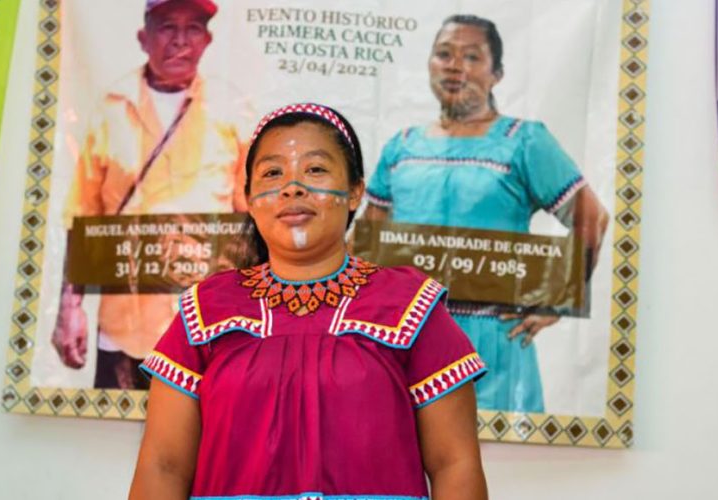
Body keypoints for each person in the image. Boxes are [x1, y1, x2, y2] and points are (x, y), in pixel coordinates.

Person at [129, 103, 488, 500]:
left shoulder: (411, 307)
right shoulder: (204, 312)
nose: (292, 187)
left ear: (355, 192)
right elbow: (163, 466)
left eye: (315, 170)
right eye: (272, 173)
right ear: (249, 198)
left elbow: (455, 463)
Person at [364, 15, 609, 414]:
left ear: (497, 73)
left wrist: (555, 299)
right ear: (429, 64)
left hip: (493, 345)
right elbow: (371, 244)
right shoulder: (402, 148)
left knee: (497, 471)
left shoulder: (524, 142)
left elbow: (590, 218)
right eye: (444, 54)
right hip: (405, 343)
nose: (455, 66)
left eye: (472, 57)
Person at [51, 0, 248, 390]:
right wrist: (69, 309)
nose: (180, 42)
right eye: (166, 27)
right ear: (143, 38)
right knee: (112, 445)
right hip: (126, 331)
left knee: (205, 449)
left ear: (207, 41)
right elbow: (82, 217)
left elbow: (254, 221)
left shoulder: (232, 111)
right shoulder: (111, 108)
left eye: (193, 28)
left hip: (209, 333)